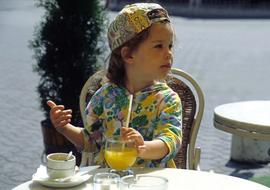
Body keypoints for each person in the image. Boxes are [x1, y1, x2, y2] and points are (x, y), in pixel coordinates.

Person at [47, 2, 182, 168]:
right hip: (108, 181)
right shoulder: (105, 96)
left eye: (169, 46)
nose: (168, 53)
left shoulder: (167, 99)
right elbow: (90, 141)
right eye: (158, 46)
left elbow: (171, 139)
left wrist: (143, 147)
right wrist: (64, 128)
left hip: (151, 180)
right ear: (128, 55)